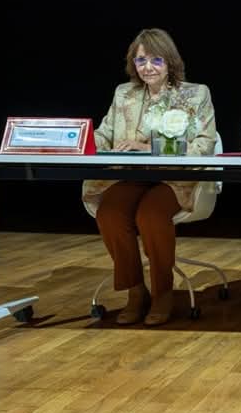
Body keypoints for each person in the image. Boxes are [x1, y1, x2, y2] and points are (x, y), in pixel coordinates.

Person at [82, 28, 217, 326]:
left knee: (151, 215)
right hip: (131, 176)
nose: (148, 67)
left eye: (156, 60)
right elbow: (105, 134)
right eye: (141, 60)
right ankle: (135, 290)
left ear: (170, 61)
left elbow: (204, 144)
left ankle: (162, 293)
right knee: (110, 213)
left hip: (175, 178)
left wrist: (148, 148)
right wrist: (81, 141)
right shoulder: (124, 93)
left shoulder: (195, 94)